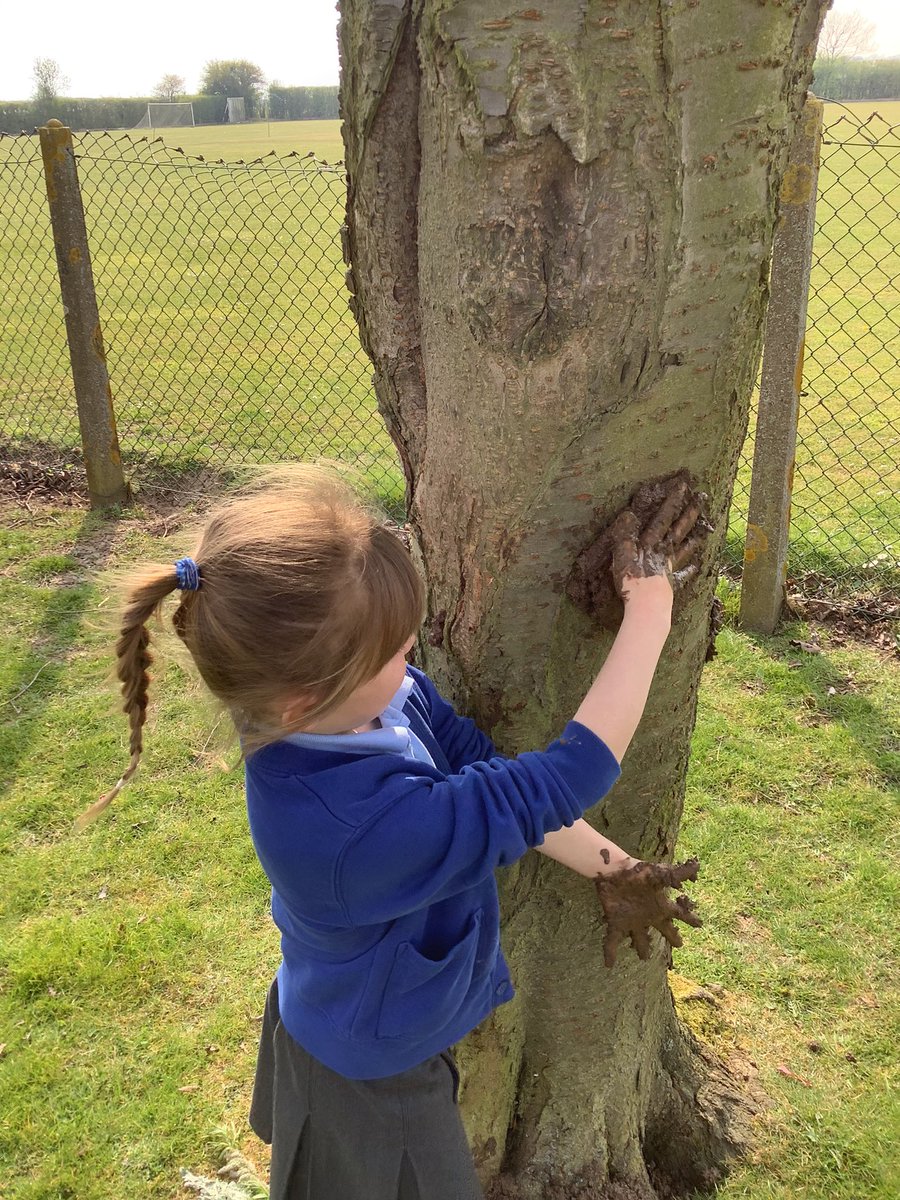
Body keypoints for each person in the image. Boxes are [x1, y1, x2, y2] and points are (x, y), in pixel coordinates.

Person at [83, 464, 707, 1200]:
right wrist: (651, 611)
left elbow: (489, 778)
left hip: (367, 1012)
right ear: (303, 698)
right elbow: (557, 781)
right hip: (369, 1072)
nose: (413, 657)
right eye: (395, 652)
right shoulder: (355, 832)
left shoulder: (361, 707)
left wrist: (612, 865)